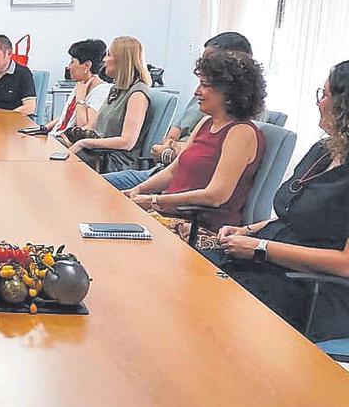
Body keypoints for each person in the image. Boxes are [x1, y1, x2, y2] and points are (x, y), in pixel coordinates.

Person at [206, 61, 349, 343]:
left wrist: (261, 248)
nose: (320, 102)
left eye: (327, 94)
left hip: (310, 288)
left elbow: (346, 264)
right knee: (194, 279)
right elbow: (295, 216)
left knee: (215, 312)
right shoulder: (323, 151)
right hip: (269, 262)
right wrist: (247, 231)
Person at [124, 50, 265, 248]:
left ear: (231, 94)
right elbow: (174, 170)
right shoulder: (206, 122)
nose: (197, 91)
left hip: (199, 229)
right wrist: (136, 191)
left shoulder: (241, 133)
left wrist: (153, 201)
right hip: (168, 217)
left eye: (205, 85)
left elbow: (215, 196)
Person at [104, 32, 255, 189]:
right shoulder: (205, 113)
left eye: (209, 61)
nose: (203, 66)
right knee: (94, 184)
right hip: (163, 172)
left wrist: (168, 153)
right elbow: (171, 138)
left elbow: (207, 173)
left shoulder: (243, 123)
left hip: (184, 185)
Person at [66, 36, 152, 173]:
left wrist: (85, 142)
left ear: (122, 60)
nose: (104, 60)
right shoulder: (117, 89)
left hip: (115, 161)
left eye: (109, 55)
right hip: (99, 153)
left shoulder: (138, 94)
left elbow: (127, 142)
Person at [43, 39, 109, 138]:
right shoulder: (81, 84)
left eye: (72, 62)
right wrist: (43, 128)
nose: (69, 67)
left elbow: (83, 129)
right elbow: (65, 118)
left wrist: (81, 99)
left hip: (67, 142)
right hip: (56, 136)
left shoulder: (100, 91)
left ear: (87, 65)